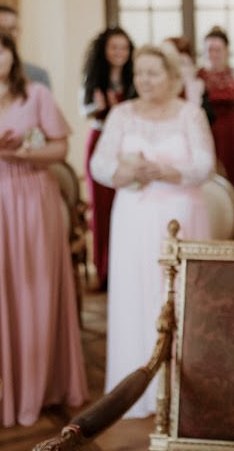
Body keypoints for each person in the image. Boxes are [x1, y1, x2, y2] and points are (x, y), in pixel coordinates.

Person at [0, 24, 87, 430]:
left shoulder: (37, 94)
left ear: (12, 54)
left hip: (31, 200)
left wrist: (26, 155)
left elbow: (59, 148)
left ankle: (39, 387)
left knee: (32, 289)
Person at [89, 43, 215, 419]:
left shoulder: (190, 114)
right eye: (138, 73)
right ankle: (136, 389)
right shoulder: (121, 114)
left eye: (152, 72)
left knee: (176, 297)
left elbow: (206, 164)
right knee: (135, 294)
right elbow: (99, 163)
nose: (143, 80)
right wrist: (124, 173)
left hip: (182, 216)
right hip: (133, 217)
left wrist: (166, 171)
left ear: (173, 76)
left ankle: (184, 391)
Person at [79, 27, 135, 291]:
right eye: (114, 47)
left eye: (124, 48)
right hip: (101, 142)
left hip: (129, 148)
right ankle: (103, 271)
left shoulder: (135, 78)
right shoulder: (94, 78)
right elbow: (85, 110)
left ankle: (127, 269)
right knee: (101, 210)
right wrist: (99, 106)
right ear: (104, 50)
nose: (119, 53)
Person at [197, 26, 234, 191]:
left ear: (226, 51)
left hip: (233, 133)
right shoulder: (196, 76)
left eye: (218, 50)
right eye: (209, 49)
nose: (213, 54)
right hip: (206, 133)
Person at [164, 36, 214, 124]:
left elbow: (209, 117)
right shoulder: (162, 86)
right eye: (178, 63)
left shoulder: (198, 86)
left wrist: (191, 87)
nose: (181, 69)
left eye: (184, 63)